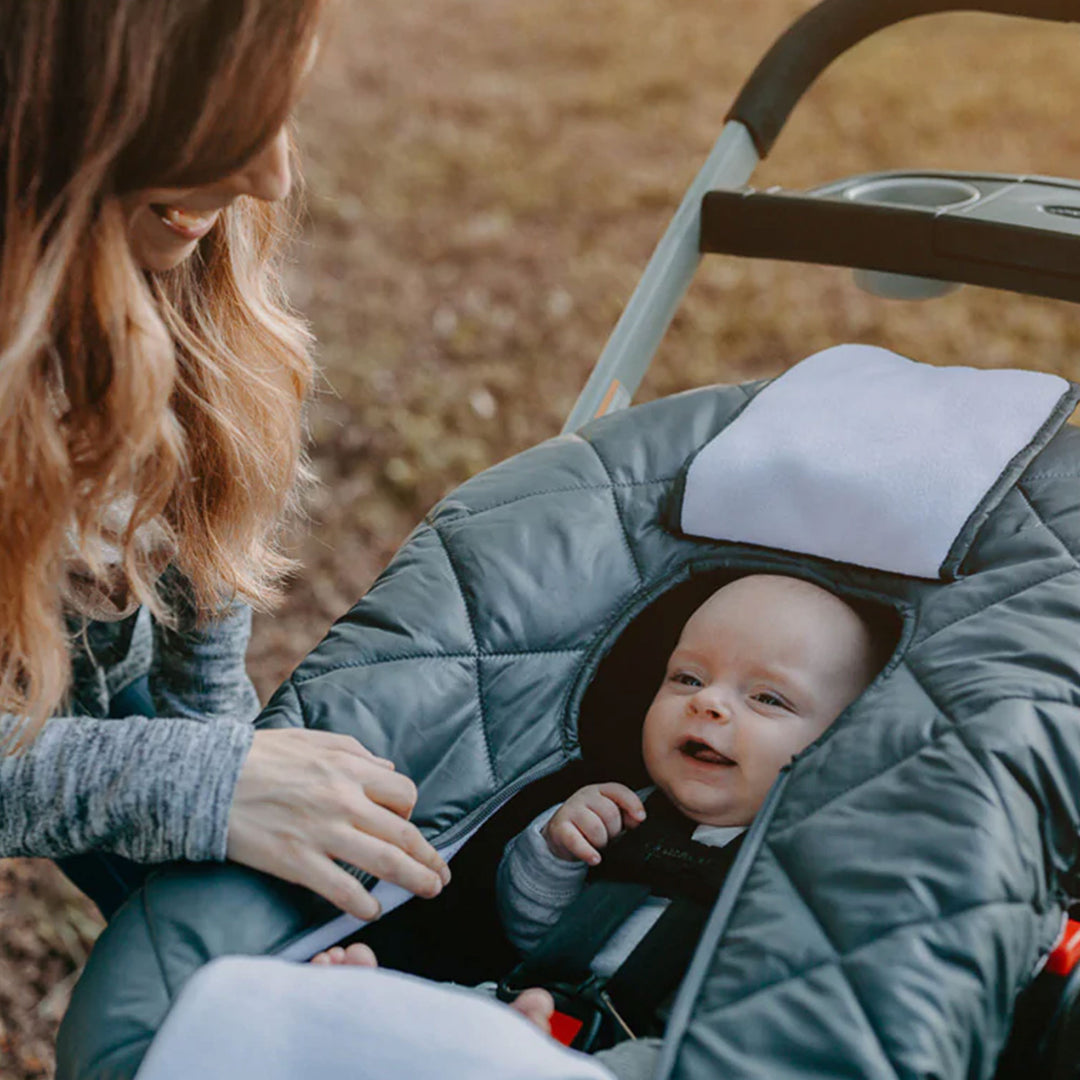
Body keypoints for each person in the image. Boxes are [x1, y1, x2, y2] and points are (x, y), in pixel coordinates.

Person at [0, 0, 447, 923]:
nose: (274, 176)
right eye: (220, 110)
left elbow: (199, 633)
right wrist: (203, 781)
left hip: (84, 663)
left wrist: (241, 809)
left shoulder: (183, 279)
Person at [312, 574, 885, 1079]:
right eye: (686, 678)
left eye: (766, 698)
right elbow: (531, 934)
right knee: (455, 1011)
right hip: (531, 1002)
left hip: (652, 1049)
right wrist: (555, 850)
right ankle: (371, 1009)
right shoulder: (628, 813)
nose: (709, 703)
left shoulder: (812, 863)